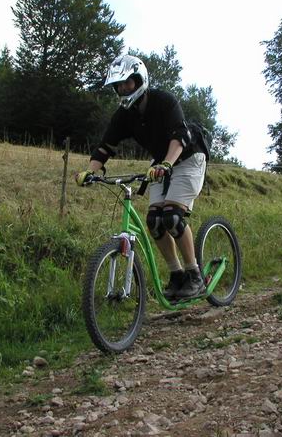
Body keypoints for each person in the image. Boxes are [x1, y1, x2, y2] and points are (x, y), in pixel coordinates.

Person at [75, 54, 208, 299]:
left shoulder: (164, 101)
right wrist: (90, 172)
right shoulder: (123, 116)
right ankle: (177, 275)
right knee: (154, 221)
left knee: (172, 216)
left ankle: (195, 275)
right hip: (161, 163)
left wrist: (167, 163)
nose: (123, 89)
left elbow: (180, 135)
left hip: (188, 157)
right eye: (118, 85)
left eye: (127, 82)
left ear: (139, 79)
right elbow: (105, 147)